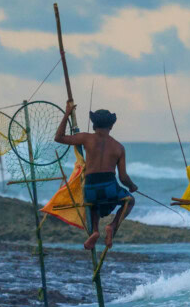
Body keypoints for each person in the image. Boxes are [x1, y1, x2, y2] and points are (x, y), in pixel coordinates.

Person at [54, 101, 138, 250]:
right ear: (111, 126)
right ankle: (111, 226)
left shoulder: (86, 138)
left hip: (90, 188)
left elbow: (58, 137)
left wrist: (67, 113)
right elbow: (123, 177)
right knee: (130, 201)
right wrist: (132, 186)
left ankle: (95, 231)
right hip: (109, 186)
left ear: (93, 125)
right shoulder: (119, 147)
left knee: (94, 205)